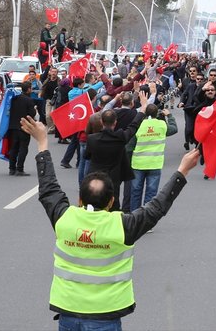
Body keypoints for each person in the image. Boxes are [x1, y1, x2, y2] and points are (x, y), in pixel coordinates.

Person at [22, 115, 200, 331]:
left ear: (80, 199)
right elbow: (157, 207)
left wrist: (42, 143)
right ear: (112, 201)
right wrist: (182, 171)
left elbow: (48, 187)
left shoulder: (64, 219)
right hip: (105, 317)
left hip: (67, 312)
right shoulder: (123, 226)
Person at [85, 93, 147, 211]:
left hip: (95, 176)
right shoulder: (120, 137)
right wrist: (143, 108)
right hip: (113, 178)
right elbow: (133, 126)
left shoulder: (92, 139)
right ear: (115, 123)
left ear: (102, 122)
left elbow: (87, 156)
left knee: (93, 203)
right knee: (113, 204)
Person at [130, 104, 177, 212]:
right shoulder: (161, 125)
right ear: (157, 113)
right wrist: (169, 116)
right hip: (155, 163)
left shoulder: (139, 124)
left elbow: (131, 144)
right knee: (151, 193)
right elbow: (174, 129)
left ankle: (134, 217)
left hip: (138, 163)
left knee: (136, 192)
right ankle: (147, 219)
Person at [7, 81, 36, 176]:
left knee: (13, 148)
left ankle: (11, 168)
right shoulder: (29, 100)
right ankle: (20, 169)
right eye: (30, 88)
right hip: (24, 127)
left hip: (12, 127)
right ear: (28, 89)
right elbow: (31, 114)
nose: (31, 90)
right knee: (23, 148)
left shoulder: (13, 98)